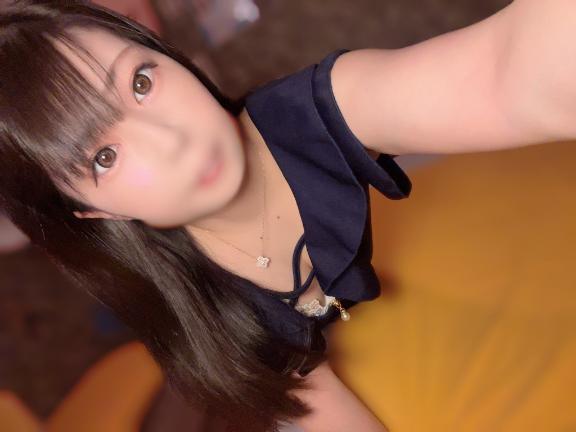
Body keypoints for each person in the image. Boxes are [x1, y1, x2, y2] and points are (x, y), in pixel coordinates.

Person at [1, 1, 574, 431]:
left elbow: (502, 73)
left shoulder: (315, 114)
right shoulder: (194, 307)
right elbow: (310, 397)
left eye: (141, 81)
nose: (171, 139)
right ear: (91, 209)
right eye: (104, 157)